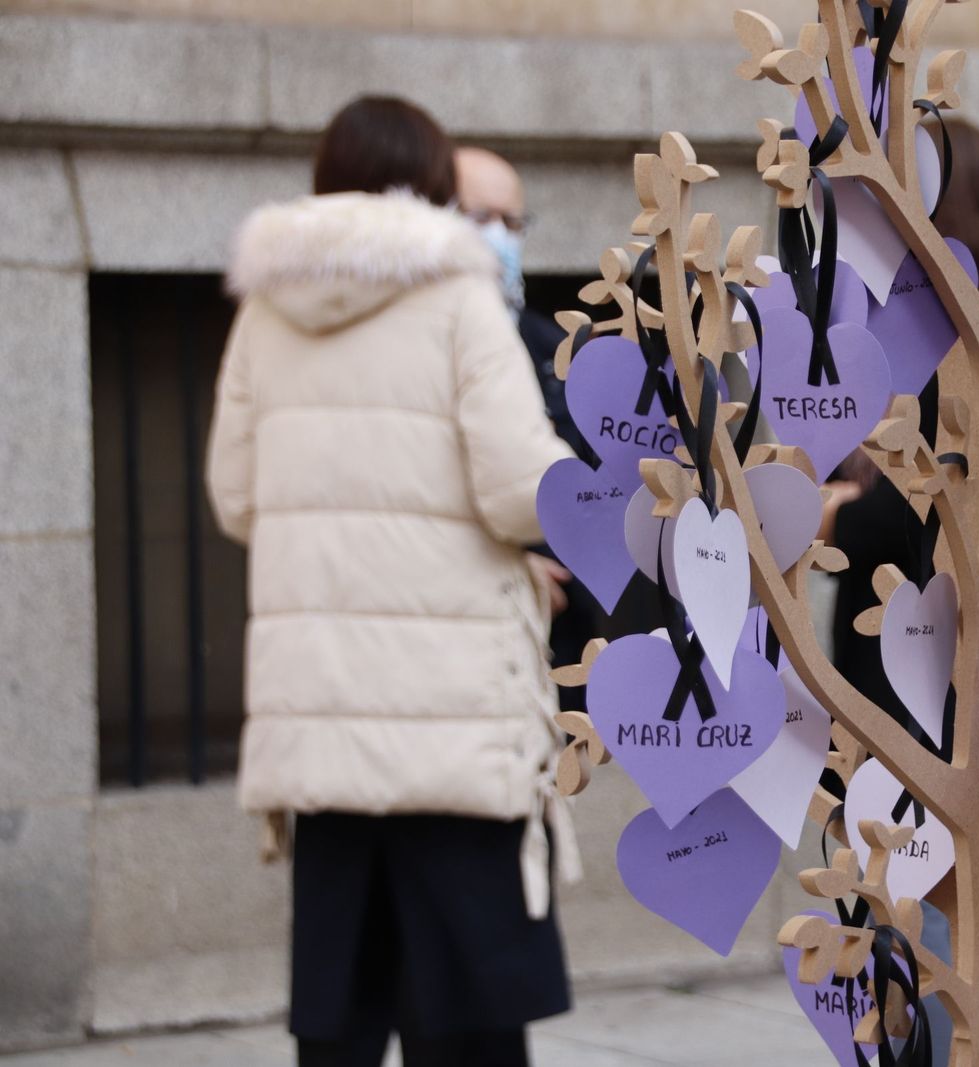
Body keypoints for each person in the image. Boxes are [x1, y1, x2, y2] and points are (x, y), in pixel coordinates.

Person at [206, 95, 576, 1067]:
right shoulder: (457, 298)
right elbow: (515, 491)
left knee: (342, 1012)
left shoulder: (264, 310)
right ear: (433, 189)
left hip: (325, 721)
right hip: (447, 719)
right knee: (469, 1020)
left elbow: (234, 495)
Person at [821, 117, 979, 1067]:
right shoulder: (886, 357)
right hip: (889, 726)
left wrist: (838, 507)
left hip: (945, 740)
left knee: (937, 986)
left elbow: (936, 527)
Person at [454, 146, 603, 708]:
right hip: (466, 642)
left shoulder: (557, 348)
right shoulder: (420, 351)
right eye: (479, 218)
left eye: (512, 222)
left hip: (562, 635)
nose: (500, 236)